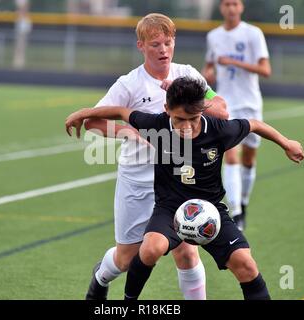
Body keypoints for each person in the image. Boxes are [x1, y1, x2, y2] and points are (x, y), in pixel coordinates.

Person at [65, 76, 304, 300]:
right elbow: (121, 111)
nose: (187, 126)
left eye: (194, 119)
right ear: (166, 110)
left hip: (211, 211)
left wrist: (286, 143)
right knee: (150, 249)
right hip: (169, 208)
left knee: (246, 264)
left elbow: (254, 124)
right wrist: (83, 113)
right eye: (180, 119)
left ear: (201, 111)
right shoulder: (157, 125)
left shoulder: (219, 131)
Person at [78, 13, 228, 300]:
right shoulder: (129, 84)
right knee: (126, 258)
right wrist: (128, 133)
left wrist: (183, 96)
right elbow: (93, 122)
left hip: (179, 181)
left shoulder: (188, 75)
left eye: (168, 43)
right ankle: (100, 278)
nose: (163, 50)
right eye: (155, 44)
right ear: (141, 46)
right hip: (138, 181)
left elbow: (221, 110)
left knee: (186, 250)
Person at [202, 0, 272, 231]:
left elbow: (265, 70)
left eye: (235, 3)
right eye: (226, 4)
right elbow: (209, 67)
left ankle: (243, 201)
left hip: (250, 103)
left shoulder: (253, 33)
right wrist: (208, 74)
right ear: (221, 8)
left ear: (241, 7)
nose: (230, 8)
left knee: (248, 159)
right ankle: (236, 212)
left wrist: (233, 62)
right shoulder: (213, 36)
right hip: (225, 105)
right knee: (230, 156)